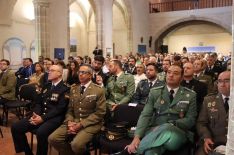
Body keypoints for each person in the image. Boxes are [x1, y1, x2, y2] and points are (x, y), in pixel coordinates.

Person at [126, 65, 197, 155]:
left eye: (175, 73)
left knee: (167, 127)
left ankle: (134, 151)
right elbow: (145, 115)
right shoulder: (155, 92)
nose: (171, 75)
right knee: (150, 152)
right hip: (154, 132)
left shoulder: (190, 95)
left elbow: (191, 120)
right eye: (169, 72)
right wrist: (136, 137)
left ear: (182, 77)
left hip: (178, 134)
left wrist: (172, 124)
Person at [11, 65, 69, 155]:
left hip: (54, 118)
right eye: (49, 70)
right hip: (40, 115)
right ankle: (27, 152)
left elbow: (59, 109)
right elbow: (38, 102)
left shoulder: (65, 89)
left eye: (52, 70)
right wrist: (36, 114)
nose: (49, 72)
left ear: (60, 73)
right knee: (16, 127)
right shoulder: (47, 86)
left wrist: (42, 118)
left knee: (41, 132)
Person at [49, 64, 106, 155]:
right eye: (79, 72)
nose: (80, 74)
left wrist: (81, 124)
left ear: (90, 75)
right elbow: (70, 109)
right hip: (74, 121)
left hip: (90, 123)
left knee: (76, 144)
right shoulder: (74, 88)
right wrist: (69, 121)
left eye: (83, 72)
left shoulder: (98, 90)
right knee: (53, 139)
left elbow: (100, 113)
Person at [196, 71, 230, 155]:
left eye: (227, 81)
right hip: (213, 142)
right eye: (219, 81)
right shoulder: (209, 100)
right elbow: (201, 123)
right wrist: (206, 137)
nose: (222, 84)